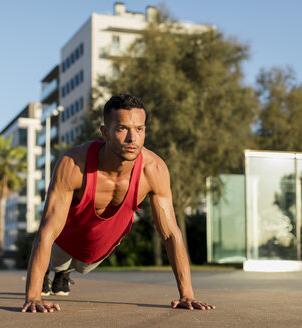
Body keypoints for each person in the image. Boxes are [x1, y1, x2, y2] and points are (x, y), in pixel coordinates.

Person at [22, 94, 215, 313]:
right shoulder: (73, 164)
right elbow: (46, 232)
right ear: (105, 132)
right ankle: (56, 272)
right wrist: (33, 297)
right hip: (66, 237)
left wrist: (187, 295)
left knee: (85, 266)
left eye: (140, 129)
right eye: (122, 128)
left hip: (102, 242)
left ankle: (63, 274)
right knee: (59, 257)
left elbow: (170, 234)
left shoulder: (154, 170)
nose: (133, 138)